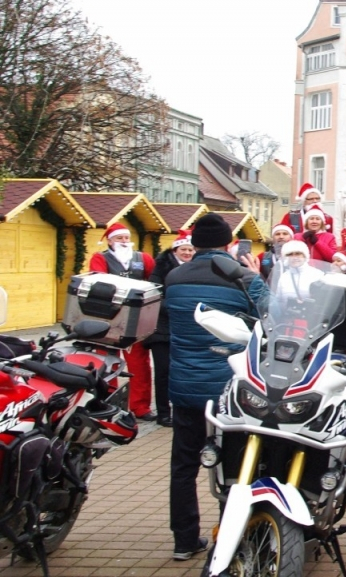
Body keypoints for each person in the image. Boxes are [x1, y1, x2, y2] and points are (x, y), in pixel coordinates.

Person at [164, 213, 265, 561]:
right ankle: (228, 539)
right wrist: (258, 275)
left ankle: (184, 539)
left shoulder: (174, 276)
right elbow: (272, 318)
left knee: (183, 465)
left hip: (184, 386)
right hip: (230, 390)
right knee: (236, 469)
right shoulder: (244, 278)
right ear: (228, 242)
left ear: (195, 243)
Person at [88, 222, 157, 420]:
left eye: (126, 238)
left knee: (139, 365)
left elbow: (154, 280)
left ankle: (140, 407)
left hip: (136, 319)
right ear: (110, 241)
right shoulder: (100, 258)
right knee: (107, 361)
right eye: (119, 238)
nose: (124, 242)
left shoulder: (142, 258)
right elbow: (98, 282)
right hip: (108, 318)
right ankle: (107, 402)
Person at [144, 229, 195, 427]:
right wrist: (177, 308)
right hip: (163, 328)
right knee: (163, 371)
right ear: (175, 250)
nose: (187, 253)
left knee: (184, 371)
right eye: (184, 249)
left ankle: (183, 410)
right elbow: (154, 295)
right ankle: (163, 413)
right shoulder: (162, 268)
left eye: (191, 249)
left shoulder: (197, 269)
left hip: (188, 328)